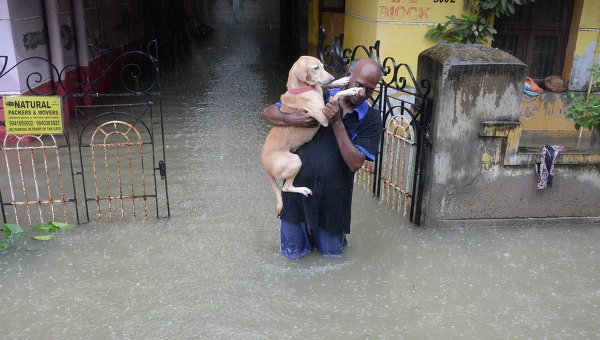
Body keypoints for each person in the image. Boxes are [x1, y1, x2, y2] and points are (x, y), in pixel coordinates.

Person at [261, 58, 382, 259]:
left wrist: (337, 122)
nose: (362, 94)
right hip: (295, 201)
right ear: (348, 78)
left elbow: (355, 163)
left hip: (333, 206)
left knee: (331, 261)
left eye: (369, 90)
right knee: (292, 261)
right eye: (359, 85)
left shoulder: (371, 119)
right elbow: (268, 112)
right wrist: (290, 119)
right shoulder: (316, 93)